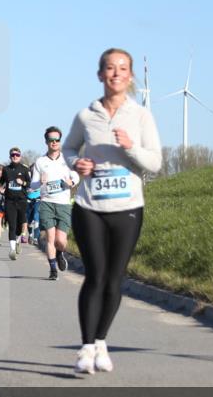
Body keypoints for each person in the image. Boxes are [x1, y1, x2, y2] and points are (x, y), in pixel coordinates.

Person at [63, 48, 162, 375]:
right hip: (90, 206)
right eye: (110, 68)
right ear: (100, 75)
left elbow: (156, 163)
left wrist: (130, 147)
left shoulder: (141, 116)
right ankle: (86, 346)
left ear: (131, 77)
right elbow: (68, 148)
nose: (116, 73)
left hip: (127, 207)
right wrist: (77, 164)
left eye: (122, 69)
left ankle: (101, 341)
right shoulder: (86, 116)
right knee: (95, 275)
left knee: (114, 279)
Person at [31, 126, 79, 281]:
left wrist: (71, 182)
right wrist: (40, 181)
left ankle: (60, 253)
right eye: (51, 140)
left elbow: (76, 176)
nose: (54, 142)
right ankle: (52, 270)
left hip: (63, 203)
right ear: (46, 142)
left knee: (61, 241)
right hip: (47, 203)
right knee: (50, 238)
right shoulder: (40, 161)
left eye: (56, 140)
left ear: (60, 141)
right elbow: (32, 185)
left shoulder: (67, 160)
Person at [0, 147, 31, 260]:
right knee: (12, 225)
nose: (15, 157)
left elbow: (29, 184)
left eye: (17, 155)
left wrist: (23, 182)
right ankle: (12, 250)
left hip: (22, 201)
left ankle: (17, 241)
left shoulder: (25, 169)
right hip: (9, 201)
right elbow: (1, 182)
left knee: (19, 227)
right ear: (10, 157)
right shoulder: (6, 169)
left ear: (20, 156)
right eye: (13, 155)